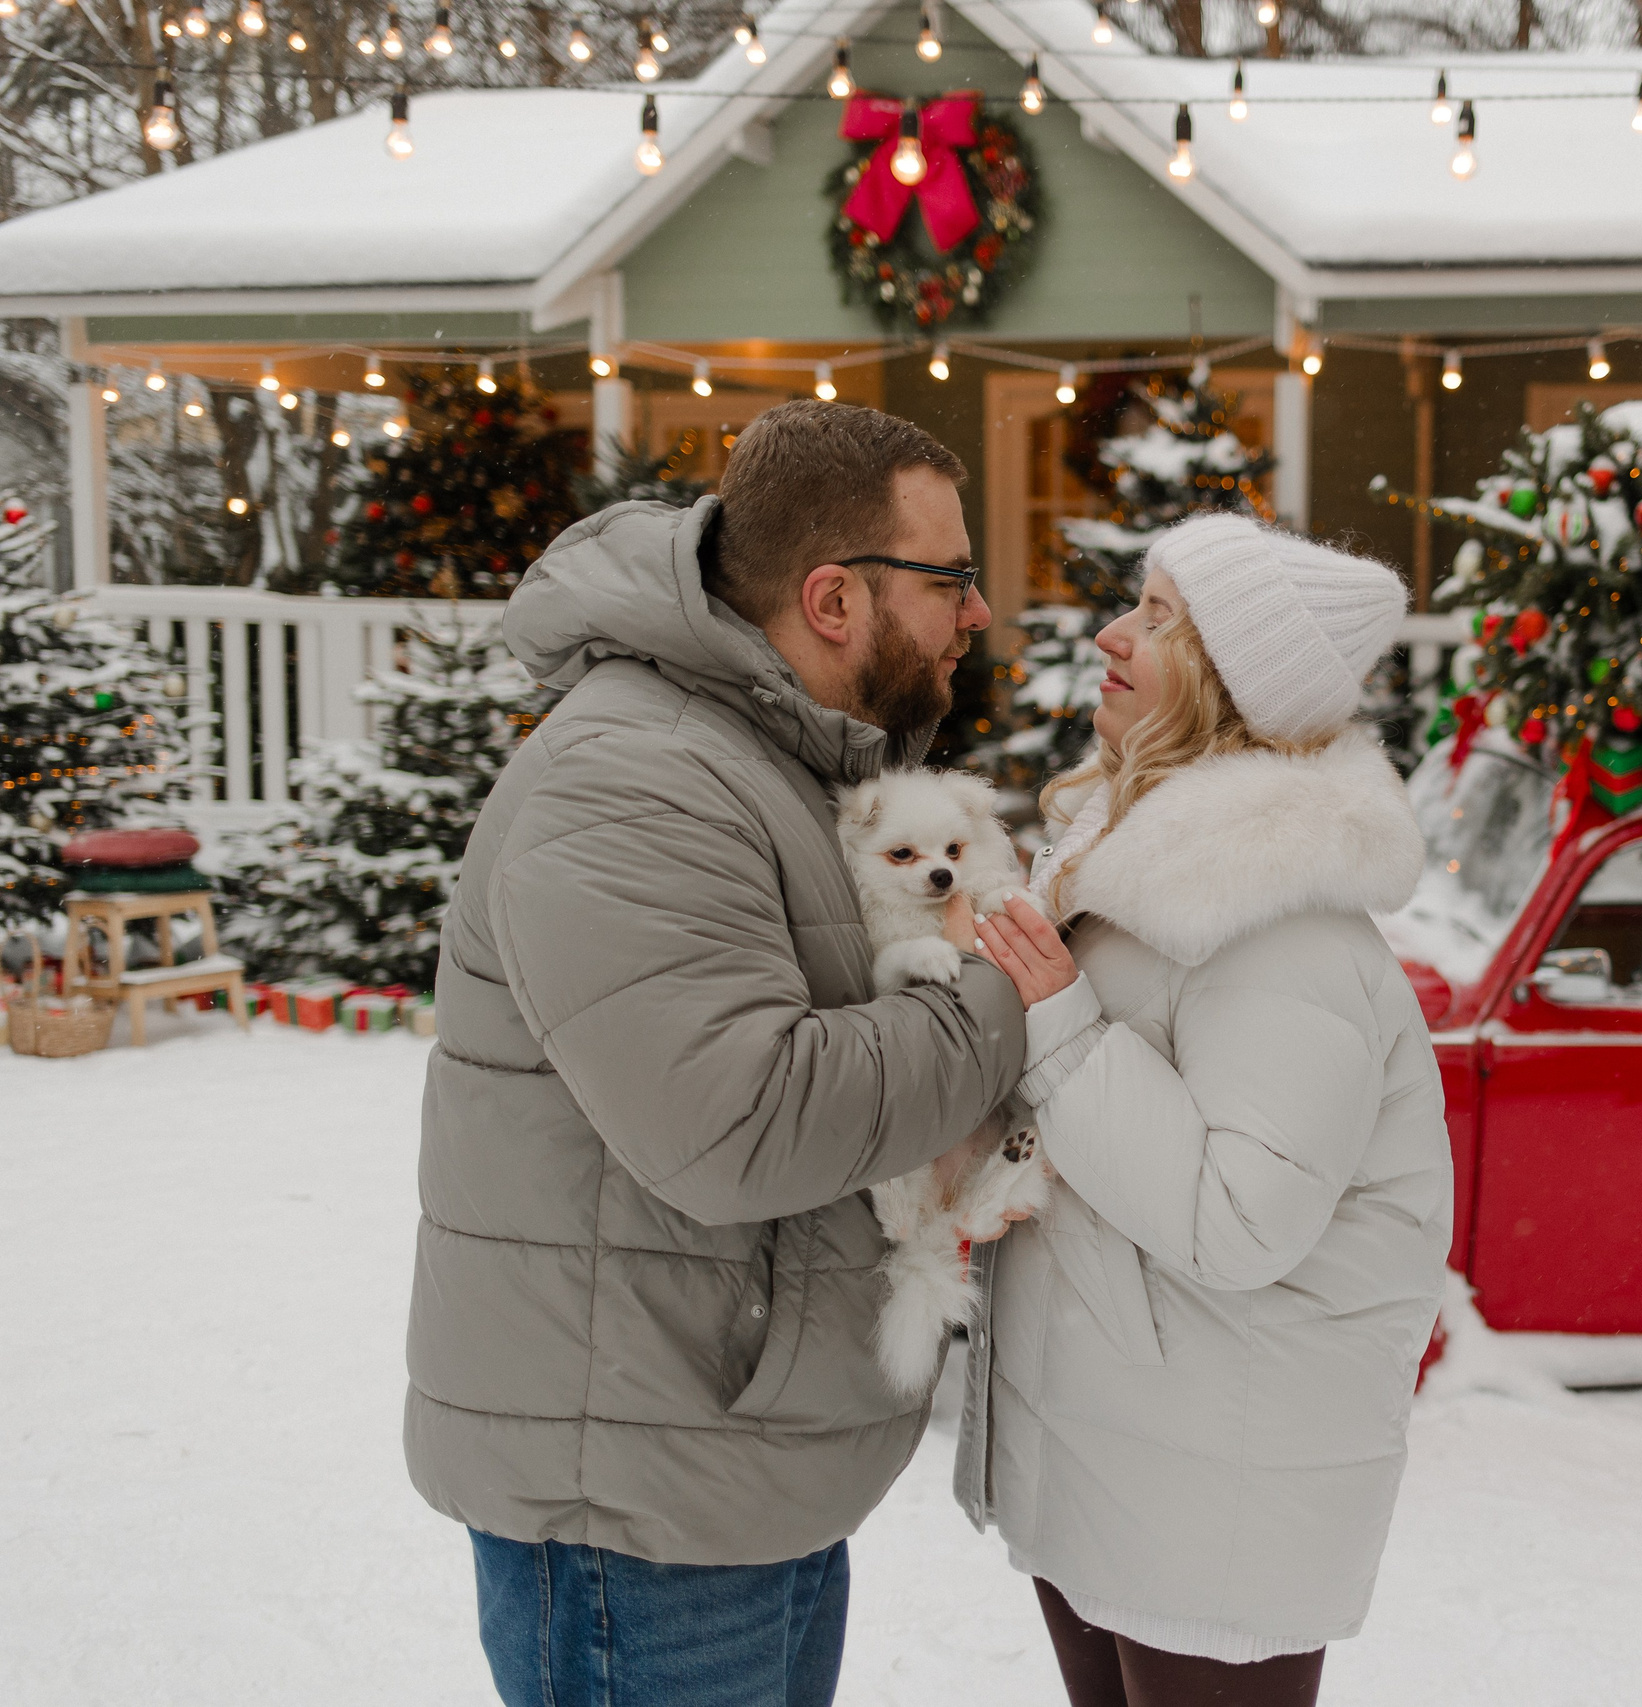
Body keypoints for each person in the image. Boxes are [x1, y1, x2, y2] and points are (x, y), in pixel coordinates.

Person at [404, 402, 1031, 1707]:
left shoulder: (761, 757)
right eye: (952, 577)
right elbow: (735, 1122)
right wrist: (995, 1000)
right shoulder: (637, 777)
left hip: (726, 1465)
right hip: (640, 1518)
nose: (978, 613)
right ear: (834, 598)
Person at [956, 512, 1455, 1707]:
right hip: (1126, 1452)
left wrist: (1060, 1022)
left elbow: (1239, 1220)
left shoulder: (1281, 921)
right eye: (1137, 601)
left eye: (1164, 617)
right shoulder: (1136, 873)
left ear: (1233, 683)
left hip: (1217, 1490)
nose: (1116, 633)